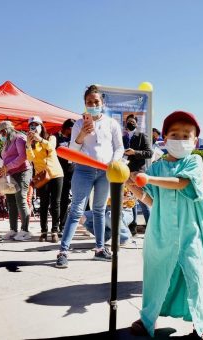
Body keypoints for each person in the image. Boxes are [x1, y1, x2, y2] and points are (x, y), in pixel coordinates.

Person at [127, 111, 203, 339]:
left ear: (195, 141)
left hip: (190, 233)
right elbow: (149, 200)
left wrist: (148, 179)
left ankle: (202, 325)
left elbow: (182, 183)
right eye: (175, 134)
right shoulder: (156, 167)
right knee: (155, 275)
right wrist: (129, 183)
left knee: (194, 276)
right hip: (160, 233)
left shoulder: (194, 161)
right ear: (164, 139)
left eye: (187, 135)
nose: (181, 138)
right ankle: (147, 321)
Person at [55, 85, 124, 267]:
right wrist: (82, 134)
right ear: (85, 104)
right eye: (89, 102)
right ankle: (63, 251)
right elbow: (72, 151)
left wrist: (114, 162)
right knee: (77, 209)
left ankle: (100, 249)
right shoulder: (79, 124)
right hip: (83, 170)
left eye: (96, 102)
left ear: (102, 103)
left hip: (105, 172)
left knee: (99, 210)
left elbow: (119, 147)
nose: (93, 105)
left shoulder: (111, 123)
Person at [26, 116, 64, 243]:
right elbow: (30, 158)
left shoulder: (50, 137)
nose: (34, 127)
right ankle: (43, 231)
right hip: (42, 176)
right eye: (31, 125)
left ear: (41, 126)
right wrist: (28, 144)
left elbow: (51, 147)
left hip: (56, 174)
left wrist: (40, 139)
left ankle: (54, 231)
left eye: (36, 125)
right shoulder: (31, 142)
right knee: (43, 204)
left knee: (55, 204)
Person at [0, 121, 33, 241]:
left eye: (0, 133)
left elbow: (23, 157)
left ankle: (25, 230)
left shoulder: (19, 138)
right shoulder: (7, 142)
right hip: (10, 175)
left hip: (22, 172)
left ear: (5, 131)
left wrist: (7, 167)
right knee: (11, 202)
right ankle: (13, 229)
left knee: (21, 200)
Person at [122, 114, 152, 235]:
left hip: (138, 172)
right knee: (130, 202)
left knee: (143, 200)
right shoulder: (123, 137)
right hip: (125, 172)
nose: (131, 123)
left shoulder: (141, 136)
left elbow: (149, 153)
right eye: (129, 121)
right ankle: (132, 228)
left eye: (133, 122)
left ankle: (151, 227)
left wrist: (135, 152)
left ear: (136, 123)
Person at [54, 118, 76, 235]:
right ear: (68, 128)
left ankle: (64, 226)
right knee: (60, 199)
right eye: (72, 129)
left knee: (69, 199)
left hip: (73, 172)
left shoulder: (74, 138)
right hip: (59, 172)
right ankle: (58, 226)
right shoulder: (56, 137)